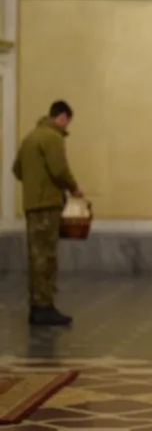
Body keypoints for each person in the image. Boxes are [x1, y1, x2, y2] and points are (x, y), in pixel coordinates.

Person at [12, 100, 83, 326]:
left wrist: (33, 184)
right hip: (47, 206)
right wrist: (74, 188)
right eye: (67, 123)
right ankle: (45, 306)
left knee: (35, 256)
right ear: (61, 117)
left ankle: (36, 305)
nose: (66, 128)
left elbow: (17, 169)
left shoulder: (30, 138)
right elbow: (59, 169)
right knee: (46, 257)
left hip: (31, 204)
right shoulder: (52, 137)